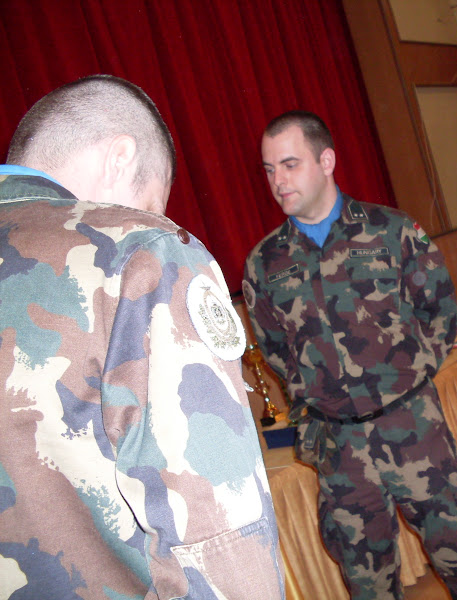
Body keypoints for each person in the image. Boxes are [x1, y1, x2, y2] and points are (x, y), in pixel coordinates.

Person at [0, 75, 285, 599]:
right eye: (151, 204)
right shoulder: (138, 251)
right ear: (119, 158)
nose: (151, 219)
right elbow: (215, 532)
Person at [243, 110, 457, 600]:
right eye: (269, 169)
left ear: (326, 161)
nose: (278, 181)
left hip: (414, 432)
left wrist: (404, 382)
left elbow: (440, 310)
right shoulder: (265, 263)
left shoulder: (392, 231)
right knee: (368, 586)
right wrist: (318, 398)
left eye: (290, 164)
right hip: (340, 450)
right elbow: (276, 348)